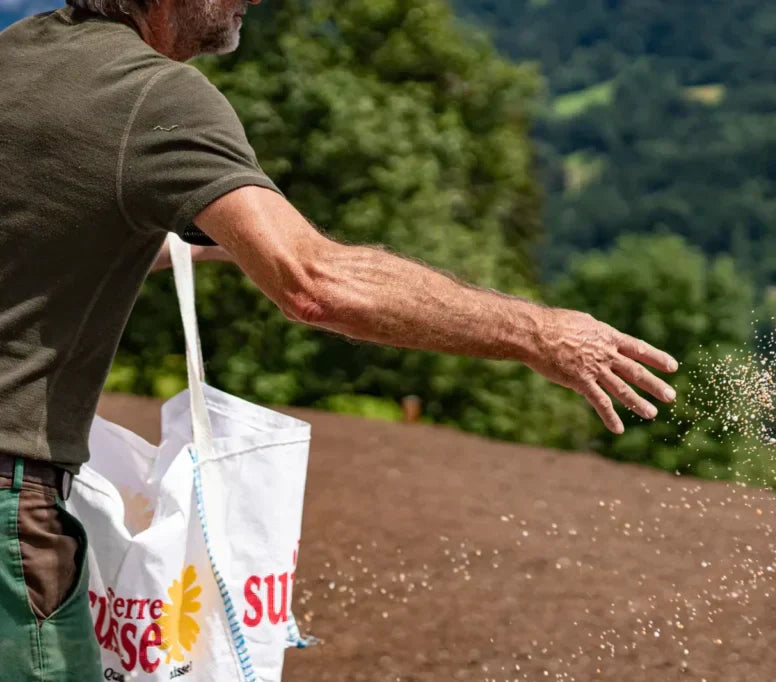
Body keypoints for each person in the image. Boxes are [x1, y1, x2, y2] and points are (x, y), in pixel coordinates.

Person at [0, 0, 679, 678]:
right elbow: (314, 284)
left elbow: (46, 237)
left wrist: (226, 245)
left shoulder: (19, 56)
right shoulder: (153, 93)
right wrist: (541, 332)